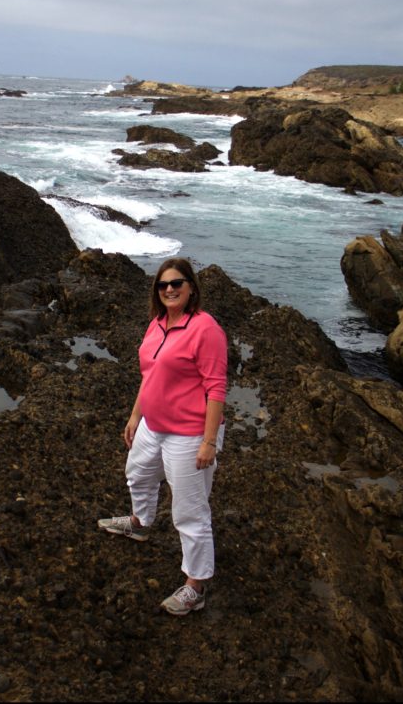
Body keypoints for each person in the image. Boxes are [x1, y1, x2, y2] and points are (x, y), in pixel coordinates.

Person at [98, 257, 227, 616]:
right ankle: (139, 523)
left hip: (188, 434)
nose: (169, 289)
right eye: (163, 284)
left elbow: (216, 388)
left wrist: (209, 441)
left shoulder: (205, 329)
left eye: (177, 283)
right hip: (152, 425)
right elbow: (150, 374)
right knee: (137, 473)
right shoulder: (157, 324)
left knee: (190, 511)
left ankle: (195, 586)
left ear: (191, 288)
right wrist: (135, 415)